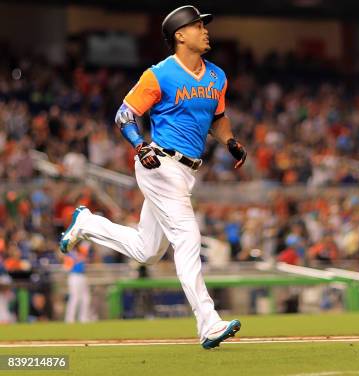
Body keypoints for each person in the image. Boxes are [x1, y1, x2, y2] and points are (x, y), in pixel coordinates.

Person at [59, 5, 245, 349]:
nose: (205, 30)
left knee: (147, 251)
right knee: (188, 239)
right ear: (180, 35)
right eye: (198, 25)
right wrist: (138, 145)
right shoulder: (159, 74)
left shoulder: (217, 75)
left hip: (188, 170)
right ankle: (209, 322)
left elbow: (218, 118)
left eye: (204, 25)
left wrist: (230, 140)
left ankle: (86, 224)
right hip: (159, 163)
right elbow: (124, 114)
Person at [63, 243, 91, 323]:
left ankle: (84, 318)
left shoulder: (82, 252)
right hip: (74, 276)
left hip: (83, 275)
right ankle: (69, 319)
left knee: (86, 297)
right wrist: (75, 260)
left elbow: (87, 245)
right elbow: (66, 267)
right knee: (74, 298)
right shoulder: (70, 254)